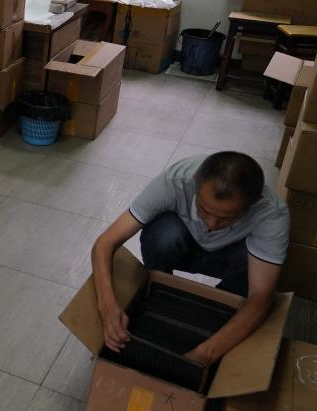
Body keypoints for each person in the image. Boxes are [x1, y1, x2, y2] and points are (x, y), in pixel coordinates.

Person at [90, 152, 289, 366]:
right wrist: (107, 307)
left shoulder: (272, 213)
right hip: (184, 248)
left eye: (227, 218)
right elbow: (105, 243)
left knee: (254, 267)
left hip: (230, 261)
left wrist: (203, 355)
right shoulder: (174, 182)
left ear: (254, 202)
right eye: (203, 209)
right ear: (194, 183)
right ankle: (159, 292)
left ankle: (222, 310)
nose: (211, 224)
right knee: (163, 234)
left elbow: (260, 297)